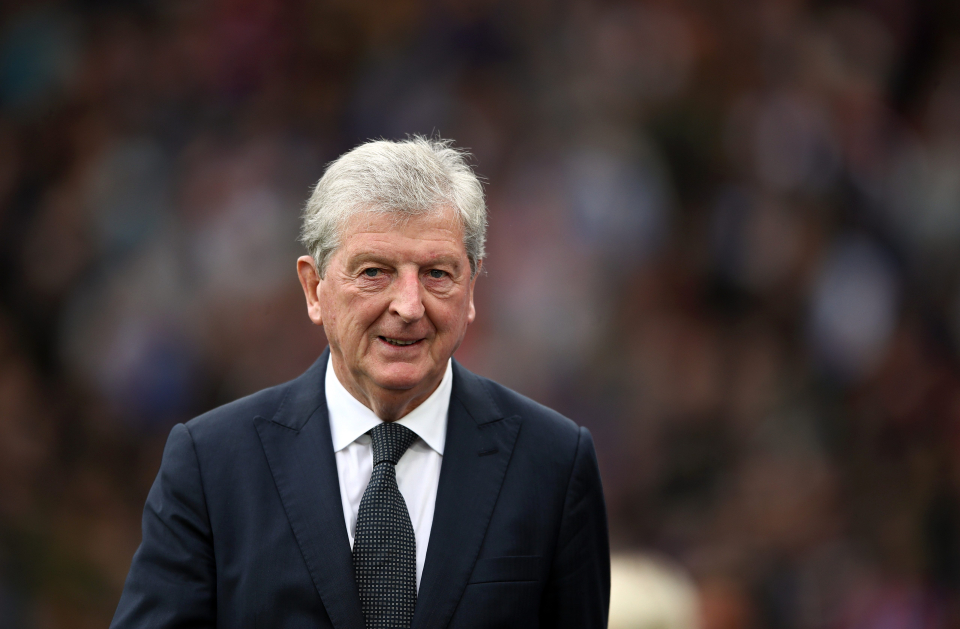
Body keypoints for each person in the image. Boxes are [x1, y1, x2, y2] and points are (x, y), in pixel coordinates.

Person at [110, 137, 610, 629]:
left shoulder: (554, 463)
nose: (409, 306)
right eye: (375, 272)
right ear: (314, 289)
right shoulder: (211, 464)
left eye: (437, 274)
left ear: (472, 288)